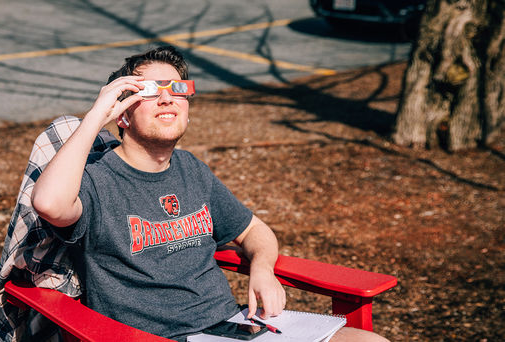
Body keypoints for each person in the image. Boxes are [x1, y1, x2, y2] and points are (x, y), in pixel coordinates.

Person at [31, 46, 388, 342]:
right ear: (122, 113)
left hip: (237, 326)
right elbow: (49, 204)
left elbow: (253, 231)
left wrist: (263, 270)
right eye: (150, 90)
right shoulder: (96, 179)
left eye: (178, 89)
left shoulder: (190, 169)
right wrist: (97, 115)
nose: (168, 98)